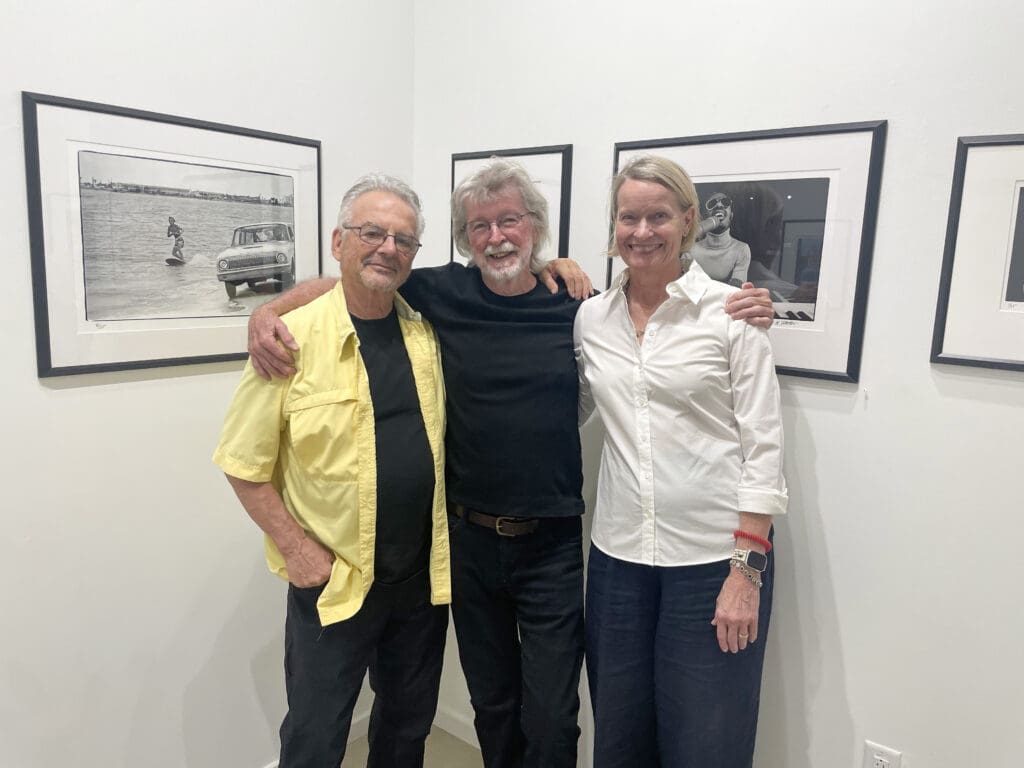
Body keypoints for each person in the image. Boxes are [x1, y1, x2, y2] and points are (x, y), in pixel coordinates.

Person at [248, 158, 776, 768]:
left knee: (553, 713)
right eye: (479, 226)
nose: (496, 236)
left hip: (551, 545)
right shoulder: (440, 293)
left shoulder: (574, 305)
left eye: (510, 221)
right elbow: (354, 282)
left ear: (536, 228)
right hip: (466, 543)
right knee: (492, 705)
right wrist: (269, 312)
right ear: (463, 239)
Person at [213, 174, 451, 768]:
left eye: (404, 240)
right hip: (334, 580)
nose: (388, 249)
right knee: (316, 736)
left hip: (422, 581)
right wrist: (297, 550)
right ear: (338, 240)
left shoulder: (425, 328)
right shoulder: (290, 339)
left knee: (405, 728)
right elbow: (243, 465)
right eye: (372, 233)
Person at [574, 155, 788, 767]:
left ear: (688, 220)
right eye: (628, 217)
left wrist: (746, 575)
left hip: (715, 562)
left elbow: (764, 448)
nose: (642, 232)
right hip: (618, 560)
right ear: (614, 225)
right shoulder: (591, 318)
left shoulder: (731, 314)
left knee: (707, 742)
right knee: (619, 735)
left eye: (658, 216)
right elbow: (575, 406)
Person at [689, 191, 751, 285]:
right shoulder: (691, 249)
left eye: (725, 202)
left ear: (731, 216)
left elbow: (735, 289)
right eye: (712, 204)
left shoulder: (741, 249)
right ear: (706, 216)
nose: (719, 205)